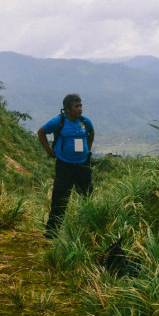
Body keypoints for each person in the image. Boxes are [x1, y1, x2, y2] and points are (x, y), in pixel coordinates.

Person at [37, 93, 95, 238]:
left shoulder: (85, 122)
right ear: (67, 109)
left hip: (83, 165)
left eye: (81, 105)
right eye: (77, 106)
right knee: (60, 198)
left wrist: (87, 148)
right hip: (65, 166)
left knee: (87, 197)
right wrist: (49, 150)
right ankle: (52, 232)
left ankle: (90, 230)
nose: (80, 109)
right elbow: (41, 132)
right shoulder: (58, 122)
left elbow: (91, 133)